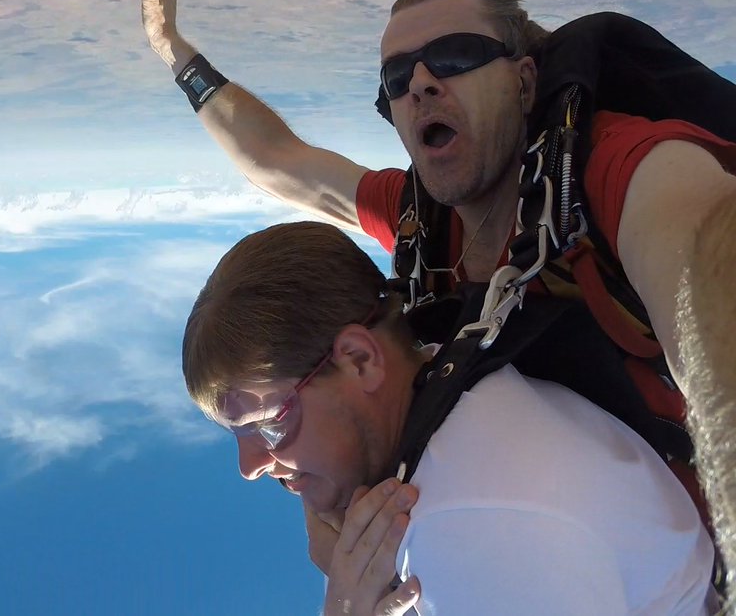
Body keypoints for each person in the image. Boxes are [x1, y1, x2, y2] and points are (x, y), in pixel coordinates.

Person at [138, 0, 736, 583]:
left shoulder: (615, 172)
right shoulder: (422, 224)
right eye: (398, 78)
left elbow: (702, 249)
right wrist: (175, 54)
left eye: (456, 57)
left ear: (524, 79)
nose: (421, 83)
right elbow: (282, 164)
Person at [182, 220, 716, 615]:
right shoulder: (454, 371)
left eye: (269, 423)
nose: (249, 466)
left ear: (361, 360)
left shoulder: (468, 527)